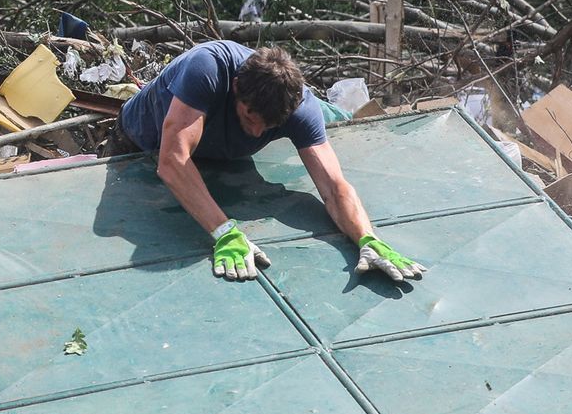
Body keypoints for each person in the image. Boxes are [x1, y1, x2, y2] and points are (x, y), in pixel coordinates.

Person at [117, 41, 427, 283]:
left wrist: (366, 237)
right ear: (236, 88)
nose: (255, 132)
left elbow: (333, 186)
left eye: (269, 127)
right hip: (140, 146)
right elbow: (172, 161)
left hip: (217, 165)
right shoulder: (207, 69)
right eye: (250, 118)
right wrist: (224, 231)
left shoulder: (301, 108)